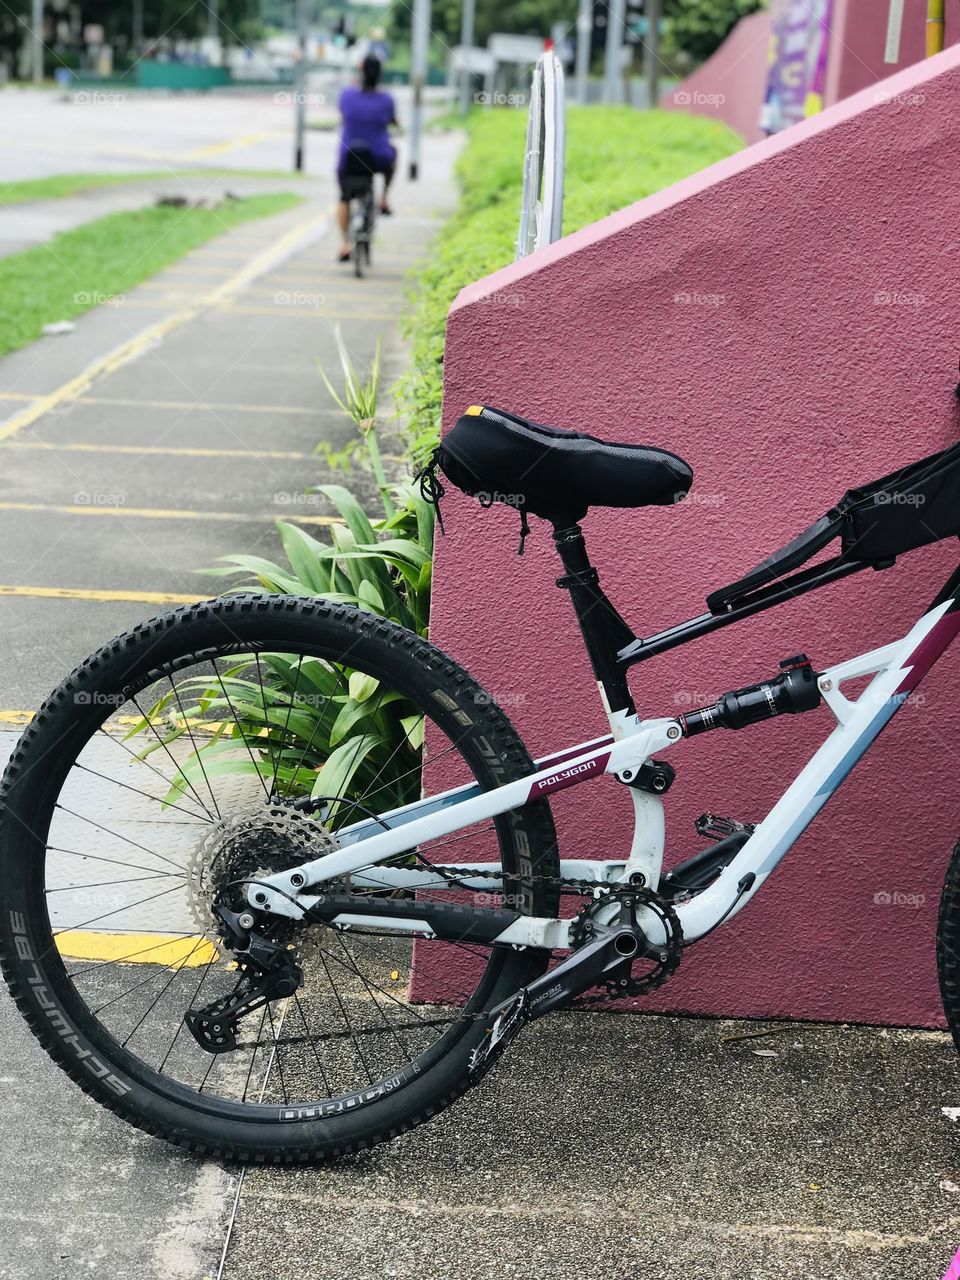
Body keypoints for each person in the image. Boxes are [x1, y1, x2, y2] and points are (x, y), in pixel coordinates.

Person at [336, 55, 397, 262]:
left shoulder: (347, 95)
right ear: (380, 74)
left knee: (344, 198)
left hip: (349, 157)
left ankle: (344, 244)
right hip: (378, 158)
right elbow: (393, 121)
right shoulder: (386, 99)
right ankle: (384, 200)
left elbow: (343, 116)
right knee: (394, 156)